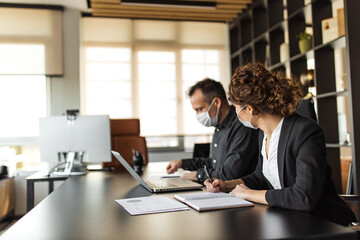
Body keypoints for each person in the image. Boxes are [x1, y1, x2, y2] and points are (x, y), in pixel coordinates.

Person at [204, 63, 356, 226]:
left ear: (250, 109)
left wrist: (249, 194)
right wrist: (228, 184)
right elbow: (261, 176)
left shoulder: (306, 132)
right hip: (290, 220)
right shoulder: (263, 133)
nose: (236, 114)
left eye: (236, 108)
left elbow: (304, 197)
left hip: (325, 224)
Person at [166, 78, 259, 183]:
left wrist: (198, 174)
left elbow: (230, 173)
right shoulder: (219, 126)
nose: (198, 115)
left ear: (216, 103)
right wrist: (182, 163)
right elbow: (216, 163)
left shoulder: (242, 124)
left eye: (200, 109)